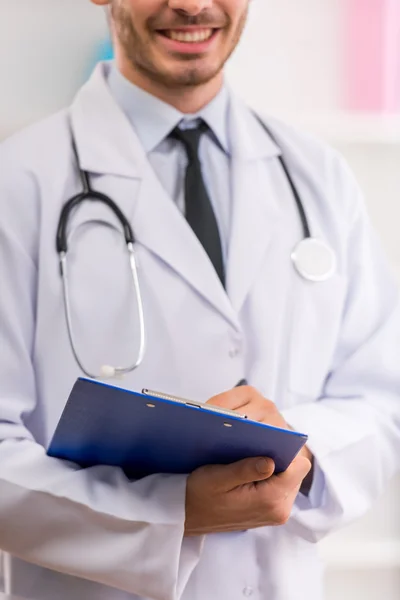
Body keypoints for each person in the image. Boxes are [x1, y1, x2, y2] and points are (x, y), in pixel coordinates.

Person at [0, 1, 399, 599]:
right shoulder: (20, 181)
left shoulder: (319, 176)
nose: (191, 3)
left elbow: (380, 400)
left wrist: (300, 449)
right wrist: (170, 513)